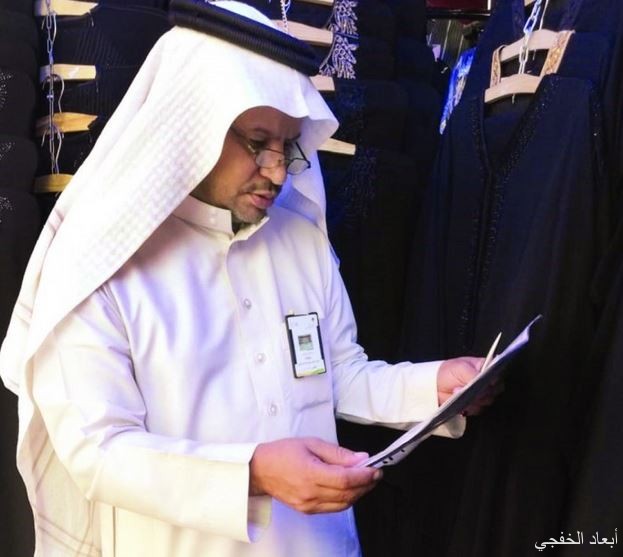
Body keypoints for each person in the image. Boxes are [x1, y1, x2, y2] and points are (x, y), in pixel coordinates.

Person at [0, 2, 489, 556]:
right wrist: (253, 473)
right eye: (257, 143)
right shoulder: (102, 257)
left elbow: (338, 375)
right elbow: (97, 451)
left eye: (288, 145)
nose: (277, 171)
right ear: (191, 123)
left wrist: (436, 386)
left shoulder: (299, 238)